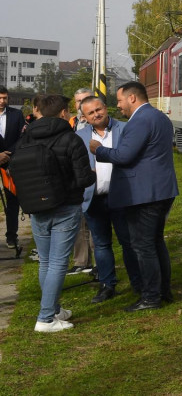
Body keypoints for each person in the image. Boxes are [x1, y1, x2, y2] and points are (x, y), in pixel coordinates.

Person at [90, 82, 178, 312]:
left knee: (143, 246)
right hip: (160, 190)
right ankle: (162, 291)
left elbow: (124, 155)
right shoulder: (159, 117)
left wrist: (98, 149)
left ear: (132, 98)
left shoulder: (139, 120)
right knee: (156, 243)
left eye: (119, 101)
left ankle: (150, 297)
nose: (117, 106)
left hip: (144, 194)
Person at [17, 94, 95, 332]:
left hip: (37, 207)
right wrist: (92, 173)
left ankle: (53, 308)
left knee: (46, 261)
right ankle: (46, 318)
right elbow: (83, 178)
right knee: (59, 262)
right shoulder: (70, 139)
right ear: (63, 113)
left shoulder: (26, 137)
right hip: (66, 206)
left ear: (39, 111)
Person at [77, 95, 140, 303]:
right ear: (84, 117)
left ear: (105, 107)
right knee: (101, 244)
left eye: (98, 109)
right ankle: (107, 285)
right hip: (94, 198)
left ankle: (137, 282)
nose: (96, 114)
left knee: (128, 242)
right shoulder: (79, 136)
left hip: (122, 197)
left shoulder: (125, 129)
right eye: (91, 113)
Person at [67, 88, 95, 275]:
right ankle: (80, 261)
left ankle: (97, 261)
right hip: (76, 177)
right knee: (78, 222)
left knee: (93, 222)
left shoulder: (95, 122)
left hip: (92, 174)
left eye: (84, 99)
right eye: (78, 101)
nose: (80, 104)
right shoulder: (72, 123)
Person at [0, 86, 27, 250]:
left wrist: (8, 154)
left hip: (10, 161)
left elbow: (22, 137)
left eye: (5, 98)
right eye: (0, 98)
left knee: (12, 201)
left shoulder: (16, 115)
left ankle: (12, 236)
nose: (2, 101)